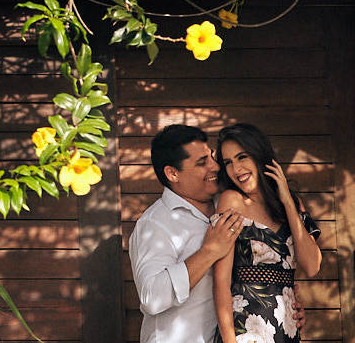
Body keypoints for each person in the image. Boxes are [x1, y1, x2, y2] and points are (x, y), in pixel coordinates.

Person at [130, 124, 245, 343]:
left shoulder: (230, 203)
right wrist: (210, 251)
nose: (215, 166)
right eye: (202, 163)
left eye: (211, 156)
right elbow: (152, 297)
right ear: (172, 173)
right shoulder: (155, 223)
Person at [211, 123, 322, 343]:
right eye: (228, 163)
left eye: (242, 157)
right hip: (246, 329)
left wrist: (288, 203)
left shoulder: (290, 204)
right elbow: (221, 280)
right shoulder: (231, 201)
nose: (236, 169)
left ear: (259, 155)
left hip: (287, 329)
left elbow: (312, 266)